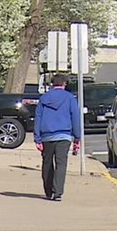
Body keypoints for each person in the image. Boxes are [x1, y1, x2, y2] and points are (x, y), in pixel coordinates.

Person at [33, 73, 82, 202]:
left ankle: (48, 191)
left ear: (52, 84)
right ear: (64, 84)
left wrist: (37, 138)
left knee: (47, 163)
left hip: (47, 136)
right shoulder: (70, 98)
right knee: (61, 163)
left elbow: (38, 118)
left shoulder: (44, 98)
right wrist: (77, 138)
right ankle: (58, 192)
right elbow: (75, 118)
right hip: (64, 136)